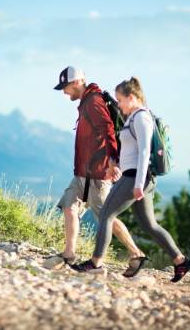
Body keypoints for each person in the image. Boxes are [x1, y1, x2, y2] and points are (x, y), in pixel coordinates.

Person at [72, 77, 190, 282]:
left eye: (120, 99)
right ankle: (181, 261)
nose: (118, 104)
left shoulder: (141, 118)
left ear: (131, 97)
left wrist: (138, 184)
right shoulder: (133, 118)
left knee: (106, 215)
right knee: (149, 225)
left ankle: (95, 263)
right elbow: (132, 150)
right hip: (137, 177)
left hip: (136, 178)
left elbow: (145, 152)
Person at [52, 66, 146, 277]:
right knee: (69, 205)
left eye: (65, 87)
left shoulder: (94, 101)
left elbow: (107, 130)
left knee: (105, 216)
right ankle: (69, 254)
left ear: (76, 82)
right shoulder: (86, 102)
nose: (64, 92)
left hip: (98, 172)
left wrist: (113, 162)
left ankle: (136, 253)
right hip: (83, 172)